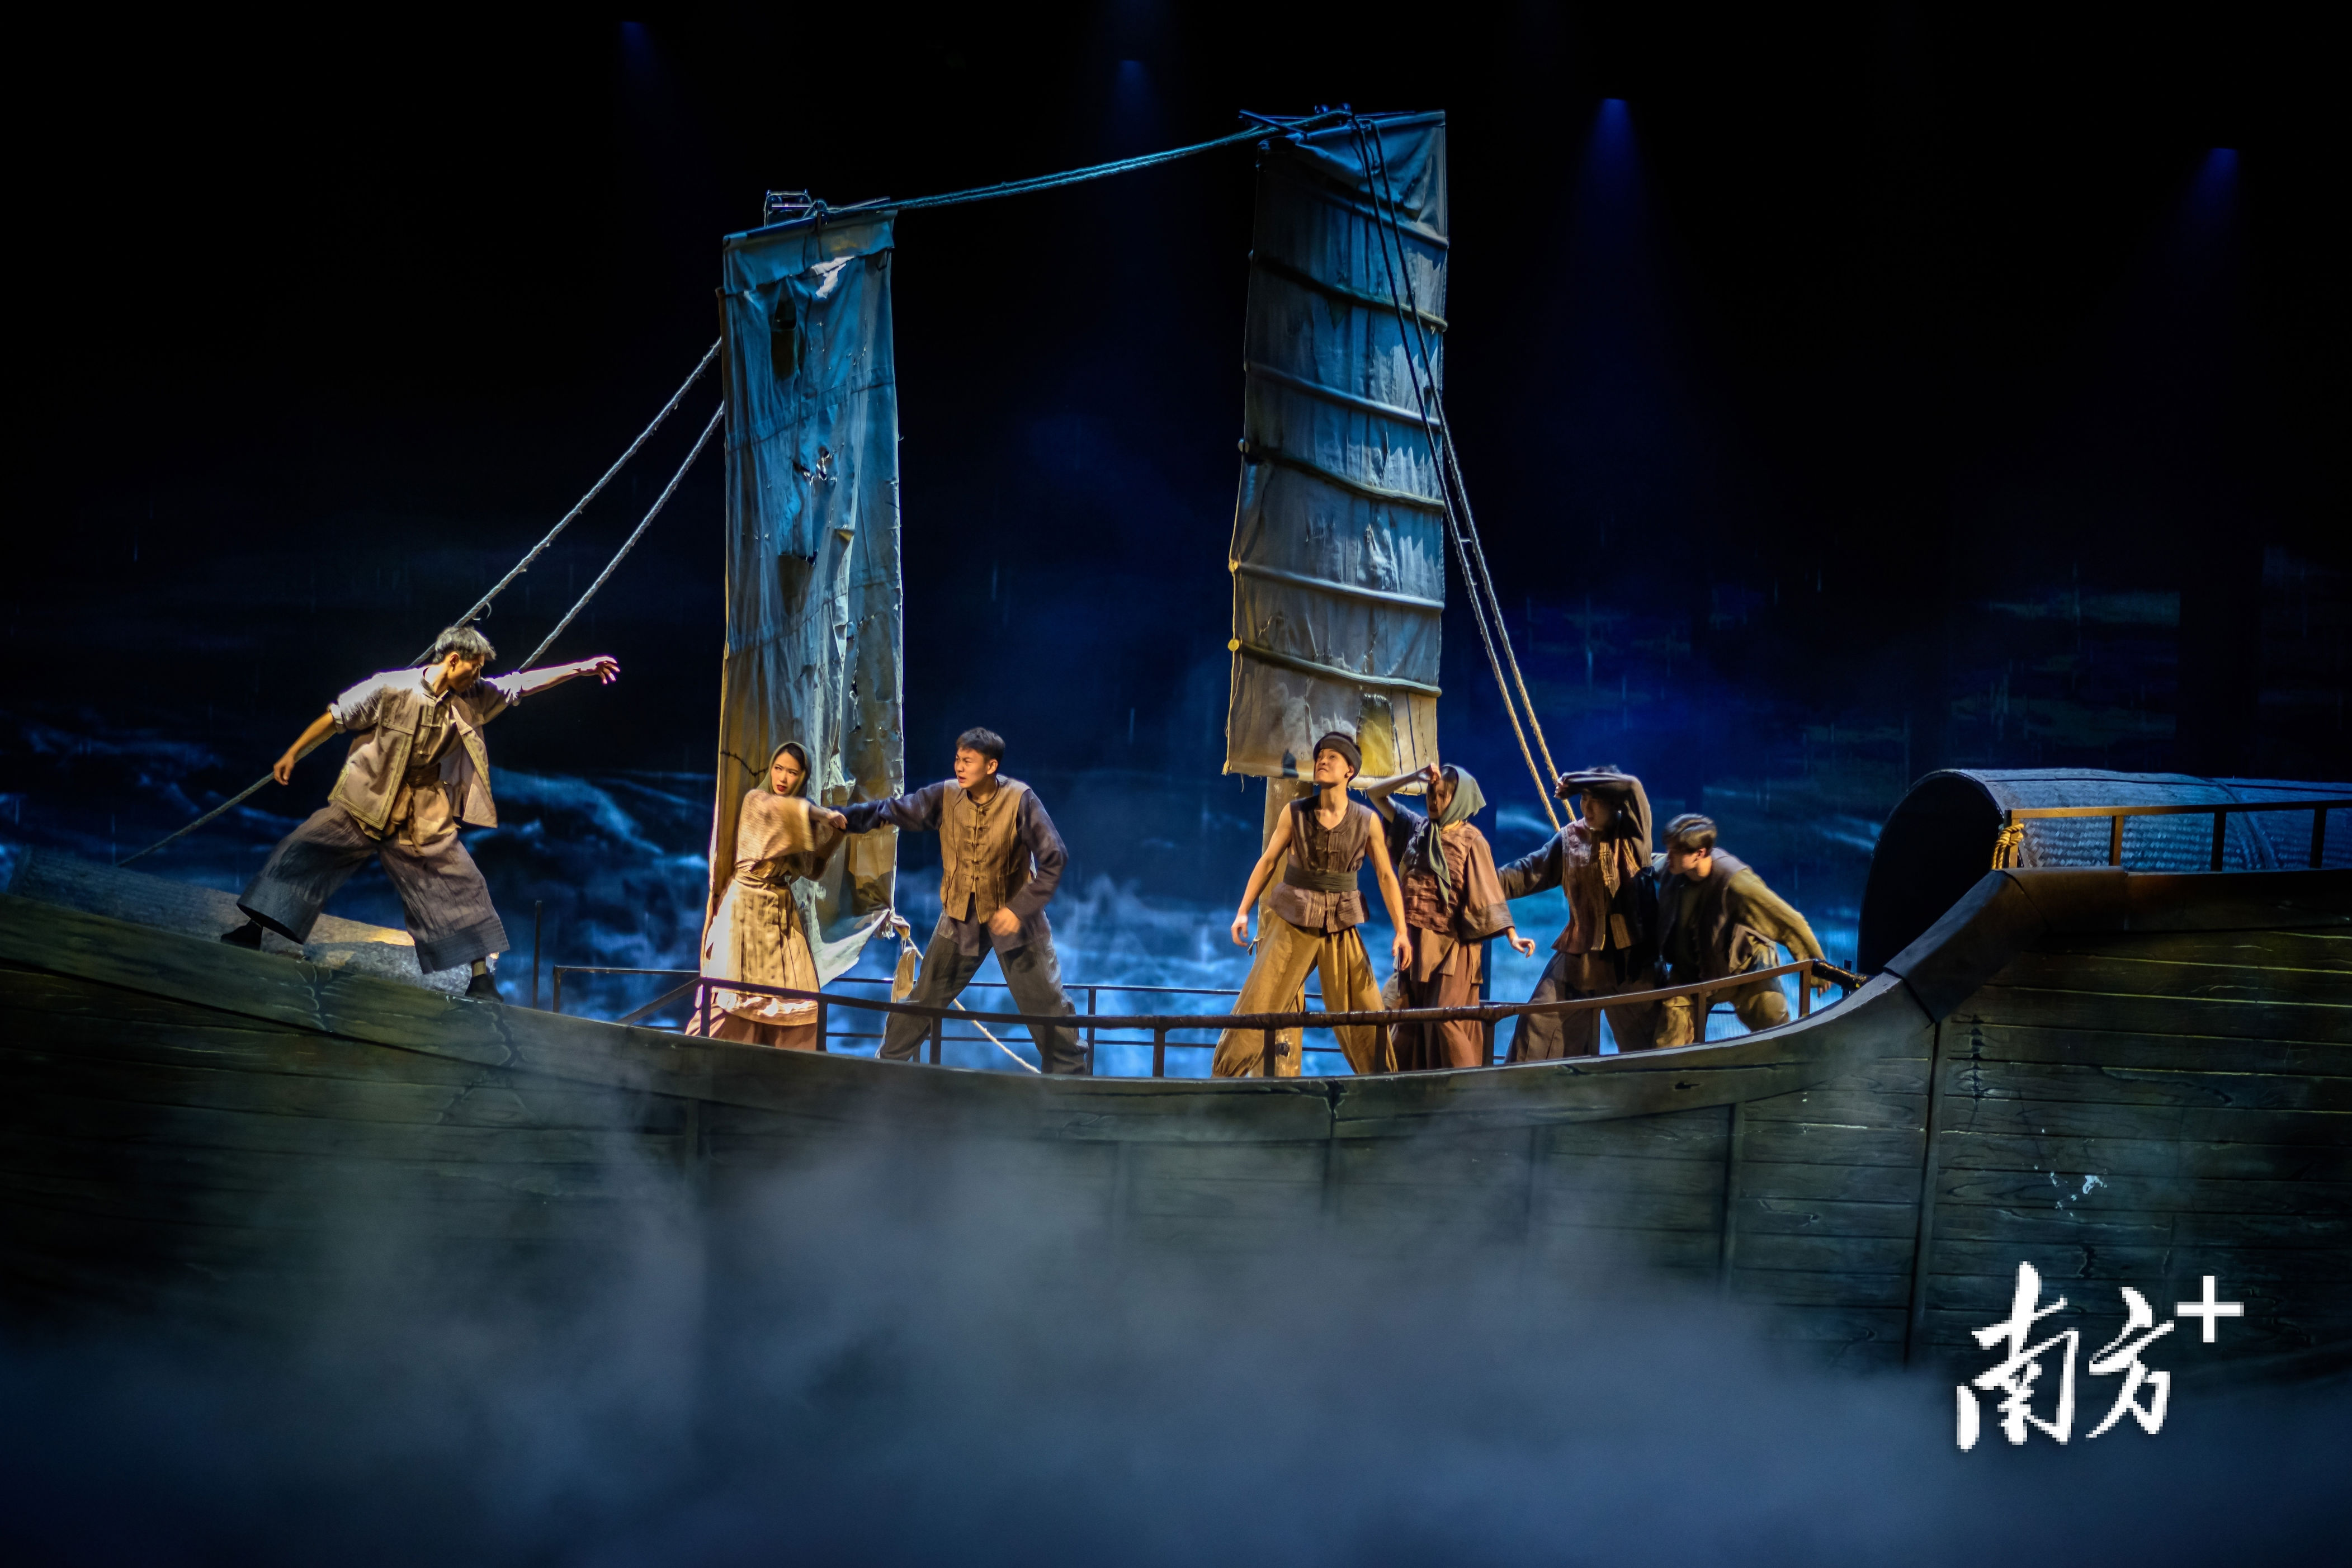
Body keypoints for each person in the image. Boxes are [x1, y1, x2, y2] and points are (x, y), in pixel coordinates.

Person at [218, 626, 620, 999]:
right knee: (303, 849)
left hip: (421, 812)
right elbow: (336, 717)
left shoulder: (472, 696)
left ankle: (481, 978)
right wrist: (293, 753)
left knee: (462, 884)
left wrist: (579, 669)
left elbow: (520, 685)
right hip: (367, 799)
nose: (478, 676)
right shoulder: (391, 687)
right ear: (453, 660)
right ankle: (254, 928)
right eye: (475, 667)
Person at [838, 728, 1086, 1074]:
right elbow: (893, 810)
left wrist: (1019, 910)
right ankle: (885, 1072)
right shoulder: (947, 795)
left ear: (991, 766)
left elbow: (1055, 858)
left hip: (1014, 920)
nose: (959, 767)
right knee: (924, 999)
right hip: (960, 916)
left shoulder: (1020, 800)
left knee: (1048, 1006)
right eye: (957, 759)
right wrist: (844, 819)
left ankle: (1073, 1085)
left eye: (968, 761)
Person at [1216, 731, 1410, 1078]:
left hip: (1340, 924)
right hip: (1294, 921)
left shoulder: (1366, 821)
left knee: (1365, 1010)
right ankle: (1221, 1080)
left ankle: (1383, 1085)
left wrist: (1401, 931)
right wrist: (1243, 911)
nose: (1323, 761)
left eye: (1332, 757)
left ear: (1350, 770)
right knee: (1259, 1001)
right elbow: (1268, 861)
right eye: (1320, 756)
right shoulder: (1296, 814)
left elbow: (1385, 875)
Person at [1360, 761, 1537, 1071]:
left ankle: (1466, 1087)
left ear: (1459, 799)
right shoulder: (1417, 830)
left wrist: (1511, 935)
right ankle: (1400, 1084)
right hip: (1416, 943)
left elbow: (1487, 888)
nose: (1434, 800)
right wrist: (1414, 776)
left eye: (1442, 795)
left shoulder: (1472, 840)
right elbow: (1375, 794)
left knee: (1446, 1019)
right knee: (1401, 1016)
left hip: (1453, 947)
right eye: (1431, 793)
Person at [1495, 766, 1660, 1060]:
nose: (1587, 807)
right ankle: (1524, 1085)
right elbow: (1527, 872)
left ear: (1614, 804)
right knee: (1536, 1026)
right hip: (1581, 956)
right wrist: (1478, 883)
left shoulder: (1633, 833)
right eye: (1583, 798)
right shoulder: (1571, 839)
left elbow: (1632, 786)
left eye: (1596, 800)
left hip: (1632, 961)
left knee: (1649, 1043)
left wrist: (1575, 781)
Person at [691, 742, 846, 1049]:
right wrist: (819, 813)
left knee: (797, 993)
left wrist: (834, 831)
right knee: (731, 991)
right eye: (779, 769)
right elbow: (781, 810)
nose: (783, 778)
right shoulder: (758, 802)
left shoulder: (799, 818)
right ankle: (696, 1056)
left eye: (793, 773)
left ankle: (792, 1065)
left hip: (779, 910)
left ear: (802, 777)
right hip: (744, 906)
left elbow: (810, 868)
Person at [1652, 813, 1827, 1046]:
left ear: (1700, 854)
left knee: (1775, 1032)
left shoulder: (1735, 882)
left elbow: (1790, 922)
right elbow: (1651, 861)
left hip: (1745, 969)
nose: (1669, 856)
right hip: (1692, 973)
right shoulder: (1672, 869)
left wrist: (1818, 970)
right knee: (1668, 1043)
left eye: (1675, 851)